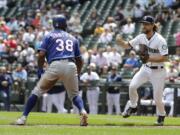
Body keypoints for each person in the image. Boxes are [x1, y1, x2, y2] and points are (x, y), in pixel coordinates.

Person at [15, 15, 88, 126]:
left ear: (54, 24)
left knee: (37, 92)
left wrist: (40, 69)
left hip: (55, 64)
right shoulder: (73, 38)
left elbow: (41, 55)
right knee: (74, 95)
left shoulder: (49, 36)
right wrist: (78, 72)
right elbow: (80, 60)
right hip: (71, 65)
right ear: (65, 24)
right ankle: (82, 111)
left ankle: (23, 118)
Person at [116, 15, 169, 126]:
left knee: (157, 98)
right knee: (132, 86)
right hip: (145, 68)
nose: (143, 26)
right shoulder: (141, 37)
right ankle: (133, 106)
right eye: (143, 23)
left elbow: (165, 58)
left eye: (146, 24)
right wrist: (120, 42)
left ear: (152, 25)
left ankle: (161, 115)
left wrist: (149, 58)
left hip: (158, 71)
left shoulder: (160, 40)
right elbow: (127, 45)